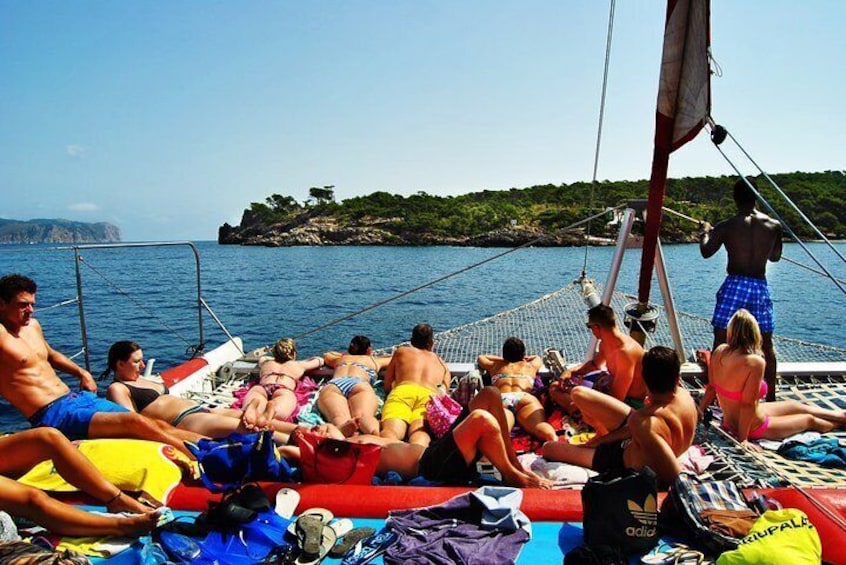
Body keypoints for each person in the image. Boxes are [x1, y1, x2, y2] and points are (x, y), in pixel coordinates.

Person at [0, 274, 202, 458]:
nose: (30, 311)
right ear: (2, 304)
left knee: (151, 424)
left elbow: (51, 355)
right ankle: (201, 459)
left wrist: (82, 373)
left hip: (76, 398)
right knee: (135, 423)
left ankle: (213, 445)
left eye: (32, 304)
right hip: (53, 414)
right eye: (23, 305)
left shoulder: (32, 326)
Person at [104, 340, 314, 446]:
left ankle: (313, 434)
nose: (142, 365)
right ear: (120, 364)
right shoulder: (118, 388)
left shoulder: (141, 379)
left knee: (261, 420)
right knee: (251, 428)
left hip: (202, 410)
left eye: (142, 360)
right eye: (136, 361)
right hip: (184, 421)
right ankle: (313, 450)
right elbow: (130, 422)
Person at [542, 345, 697, 487]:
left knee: (548, 448)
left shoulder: (644, 422)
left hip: (618, 460)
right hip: (636, 440)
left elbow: (674, 477)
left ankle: (594, 444)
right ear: (677, 377)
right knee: (578, 393)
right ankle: (598, 436)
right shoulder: (685, 397)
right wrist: (600, 441)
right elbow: (638, 431)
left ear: (644, 379)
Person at [344, 387, 552, 489]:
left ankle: (514, 462)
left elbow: (337, 430)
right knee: (481, 419)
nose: (318, 428)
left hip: (435, 451)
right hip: (432, 468)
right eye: (315, 431)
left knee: (490, 393)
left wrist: (346, 428)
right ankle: (511, 475)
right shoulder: (336, 453)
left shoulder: (346, 437)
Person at [698, 309, 846, 443]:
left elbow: (711, 388)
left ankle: (840, 415)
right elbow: (747, 404)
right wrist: (743, 439)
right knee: (809, 420)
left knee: (793, 406)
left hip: (730, 421)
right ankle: (840, 423)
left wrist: (699, 411)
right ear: (754, 334)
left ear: (731, 332)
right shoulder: (754, 362)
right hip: (753, 426)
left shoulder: (719, 351)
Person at [700, 177, 783, 401]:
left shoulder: (727, 225)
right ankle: (772, 396)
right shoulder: (774, 226)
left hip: (735, 283)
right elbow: (775, 257)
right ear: (756, 197)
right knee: (766, 342)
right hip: (759, 285)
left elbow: (706, 251)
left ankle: (715, 393)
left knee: (721, 339)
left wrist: (704, 232)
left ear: (735, 199)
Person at [548, 304, 647, 435]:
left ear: (596, 327)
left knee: (578, 396)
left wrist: (586, 401)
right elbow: (594, 365)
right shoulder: (606, 343)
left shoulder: (625, 353)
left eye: (589, 326)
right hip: (611, 393)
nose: (591, 331)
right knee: (556, 387)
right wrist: (571, 372)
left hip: (629, 404)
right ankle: (579, 412)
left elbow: (617, 398)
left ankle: (582, 415)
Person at [380, 323, 451, 446]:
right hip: (428, 396)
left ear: (411, 341)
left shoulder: (401, 352)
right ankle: (416, 458)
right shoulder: (440, 362)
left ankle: (390, 456)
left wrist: (388, 394)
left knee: (391, 431)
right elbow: (445, 389)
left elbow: (387, 382)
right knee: (421, 432)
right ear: (431, 343)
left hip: (403, 391)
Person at [477, 337, 556, 442]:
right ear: (523, 354)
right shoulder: (530, 366)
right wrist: (523, 358)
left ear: (504, 354)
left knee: (501, 431)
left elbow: (481, 357)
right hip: (524, 397)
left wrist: (502, 359)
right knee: (539, 427)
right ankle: (553, 439)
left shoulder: (495, 366)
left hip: (502, 399)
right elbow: (537, 357)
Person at [241, 337, 325, 428]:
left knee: (255, 395)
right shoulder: (298, 365)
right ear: (294, 354)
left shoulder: (266, 362)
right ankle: (273, 409)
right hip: (283, 389)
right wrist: (302, 360)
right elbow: (319, 360)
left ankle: (254, 405)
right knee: (282, 412)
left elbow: (263, 358)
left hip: (262, 387)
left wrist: (277, 356)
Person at [319, 335, 392, 436]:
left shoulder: (341, 359)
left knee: (338, 417)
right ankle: (374, 433)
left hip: (335, 384)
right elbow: (395, 358)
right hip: (359, 383)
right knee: (363, 416)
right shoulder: (373, 361)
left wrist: (342, 355)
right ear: (369, 350)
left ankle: (344, 429)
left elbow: (327, 355)